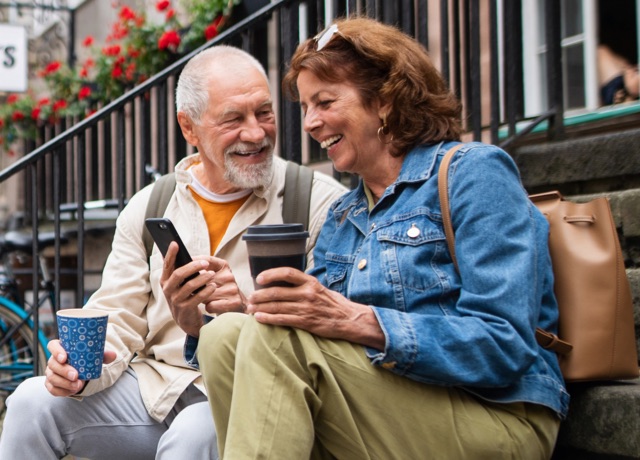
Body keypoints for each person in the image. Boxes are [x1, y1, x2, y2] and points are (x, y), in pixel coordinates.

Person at [197, 17, 569, 460]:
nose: (312, 123)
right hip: (385, 402)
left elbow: (503, 343)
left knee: (277, 341)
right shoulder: (344, 213)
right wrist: (246, 307)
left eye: (325, 102)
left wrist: (361, 321)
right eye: (305, 107)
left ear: (386, 101)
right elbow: (313, 327)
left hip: (496, 415)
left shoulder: (473, 173)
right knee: (224, 338)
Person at [0, 45, 346, 459]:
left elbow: (330, 333)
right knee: (31, 401)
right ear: (189, 127)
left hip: (248, 393)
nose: (255, 132)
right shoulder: (151, 204)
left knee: (194, 433)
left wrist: (240, 313)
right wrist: (75, 372)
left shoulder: (317, 202)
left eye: (264, 113)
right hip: (154, 388)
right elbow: (117, 317)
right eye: (233, 119)